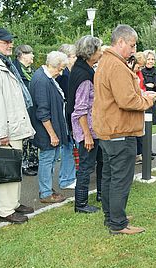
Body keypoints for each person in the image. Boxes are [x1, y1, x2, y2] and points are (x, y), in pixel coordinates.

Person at [92, 24, 156, 235]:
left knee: (110, 177)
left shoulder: (106, 61)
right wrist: (147, 100)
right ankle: (118, 224)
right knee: (120, 179)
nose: (133, 49)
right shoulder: (117, 66)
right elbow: (126, 99)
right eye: (131, 45)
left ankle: (112, 216)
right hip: (120, 132)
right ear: (120, 42)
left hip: (110, 131)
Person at [0, 27, 35, 224]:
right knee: (7, 168)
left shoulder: (6, 63)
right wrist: (1, 132)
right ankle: (5, 210)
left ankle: (14, 203)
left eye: (10, 41)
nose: (10, 44)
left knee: (15, 167)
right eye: (5, 42)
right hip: (8, 129)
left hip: (15, 125)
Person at [29, 51, 72, 203]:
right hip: (45, 130)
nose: (60, 73)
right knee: (47, 159)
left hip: (51, 128)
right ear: (52, 65)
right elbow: (42, 112)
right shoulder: (42, 80)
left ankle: (47, 187)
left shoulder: (47, 77)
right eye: (60, 69)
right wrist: (52, 135)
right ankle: (45, 192)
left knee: (52, 159)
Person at [69, 35, 103, 213]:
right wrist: (87, 135)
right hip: (87, 130)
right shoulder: (83, 75)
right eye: (99, 50)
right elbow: (79, 109)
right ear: (91, 52)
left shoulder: (85, 68)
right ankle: (80, 204)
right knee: (85, 167)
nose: (101, 53)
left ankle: (101, 194)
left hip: (95, 128)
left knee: (101, 161)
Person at [13, 44, 39, 176]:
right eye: (30, 53)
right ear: (22, 55)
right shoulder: (14, 70)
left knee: (34, 135)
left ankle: (33, 161)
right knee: (24, 138)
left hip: (33, 109)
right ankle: (23, 164)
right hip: (21, 110)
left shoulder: (32, 70)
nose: (33, 55)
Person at [55, 44, 77, 190]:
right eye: (73, 56)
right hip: (65, 115)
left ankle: (69, 176)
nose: (75, 59)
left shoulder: (69, 73)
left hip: (69, 114)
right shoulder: (63, 76)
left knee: (69, 147)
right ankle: (66, 179)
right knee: (67, 147)